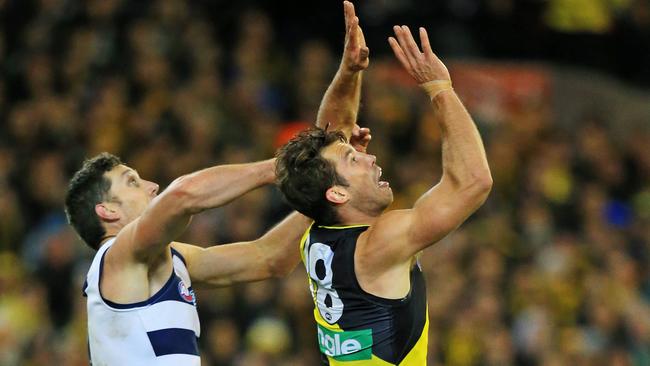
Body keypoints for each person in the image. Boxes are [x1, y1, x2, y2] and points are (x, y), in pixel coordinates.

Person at [64, 2, 370, 364]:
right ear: (107, 210)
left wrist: (325, 190)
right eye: (131, 182)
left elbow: (269, 258)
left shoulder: (172, 259)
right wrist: (283, 167)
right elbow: (183, 195)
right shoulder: (116, 256)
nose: (151, 186)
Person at [275, 23, 493, 365]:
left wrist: (349, 73)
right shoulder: (378, 243)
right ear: (337, 195)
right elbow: (472, 182)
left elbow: (330, 138)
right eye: (354, 160)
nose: (370, 155)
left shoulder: (313, 233)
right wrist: (440, 89)